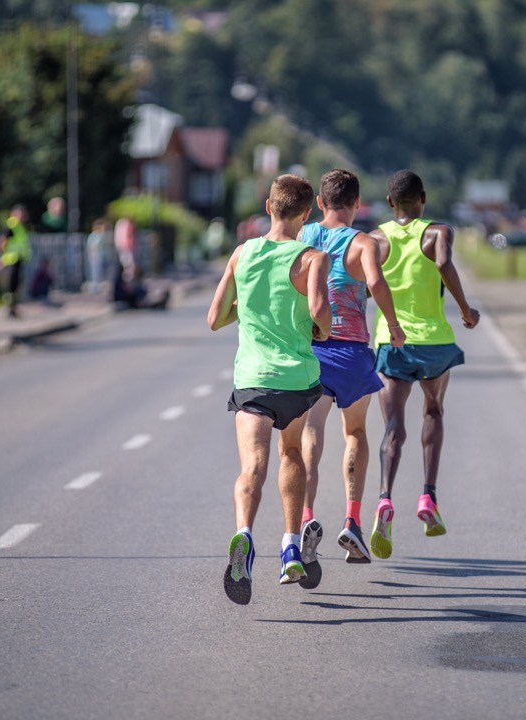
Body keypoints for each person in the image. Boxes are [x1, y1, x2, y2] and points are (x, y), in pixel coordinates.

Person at [207, 174, 332, 605]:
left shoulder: (242, 254)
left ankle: (243, 534)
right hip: (295, 379)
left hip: (252, 379)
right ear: (307, 214)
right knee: (291, 453)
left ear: (268, 207)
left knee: (252, 466)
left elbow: (215, 318)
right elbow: (319, 309)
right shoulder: (312, 258)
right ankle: (291, 548)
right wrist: (322, 329)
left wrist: (247, 308)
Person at [296, 169, 406, 588]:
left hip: (312, 349)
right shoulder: (362, 243)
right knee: (355, 432)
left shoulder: (304, 237)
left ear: (320, 203)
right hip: (353, 351)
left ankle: (306, 518)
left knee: (310, 432)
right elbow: (375, 282)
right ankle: (352, 521)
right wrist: (393, 325)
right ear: (357, 203)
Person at [367, 169, 480, 560]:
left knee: (392, 426)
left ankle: (384, 498)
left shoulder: (375, 239)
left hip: (392, 341)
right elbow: (445, 265)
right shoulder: (438, 232)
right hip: (433, 342)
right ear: (424, 198)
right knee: (433, 410)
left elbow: (366, 286)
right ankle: (428, 497)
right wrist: (465, 310)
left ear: (390, 202)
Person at [0, 204, 32, 318]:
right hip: (11, 261)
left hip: (18, 260)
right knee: (11, 285)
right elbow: (1, 241)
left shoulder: (20, 227)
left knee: (16, 285)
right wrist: (1, 258)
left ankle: (14, 307)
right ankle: (10, 308)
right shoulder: (12, 225)